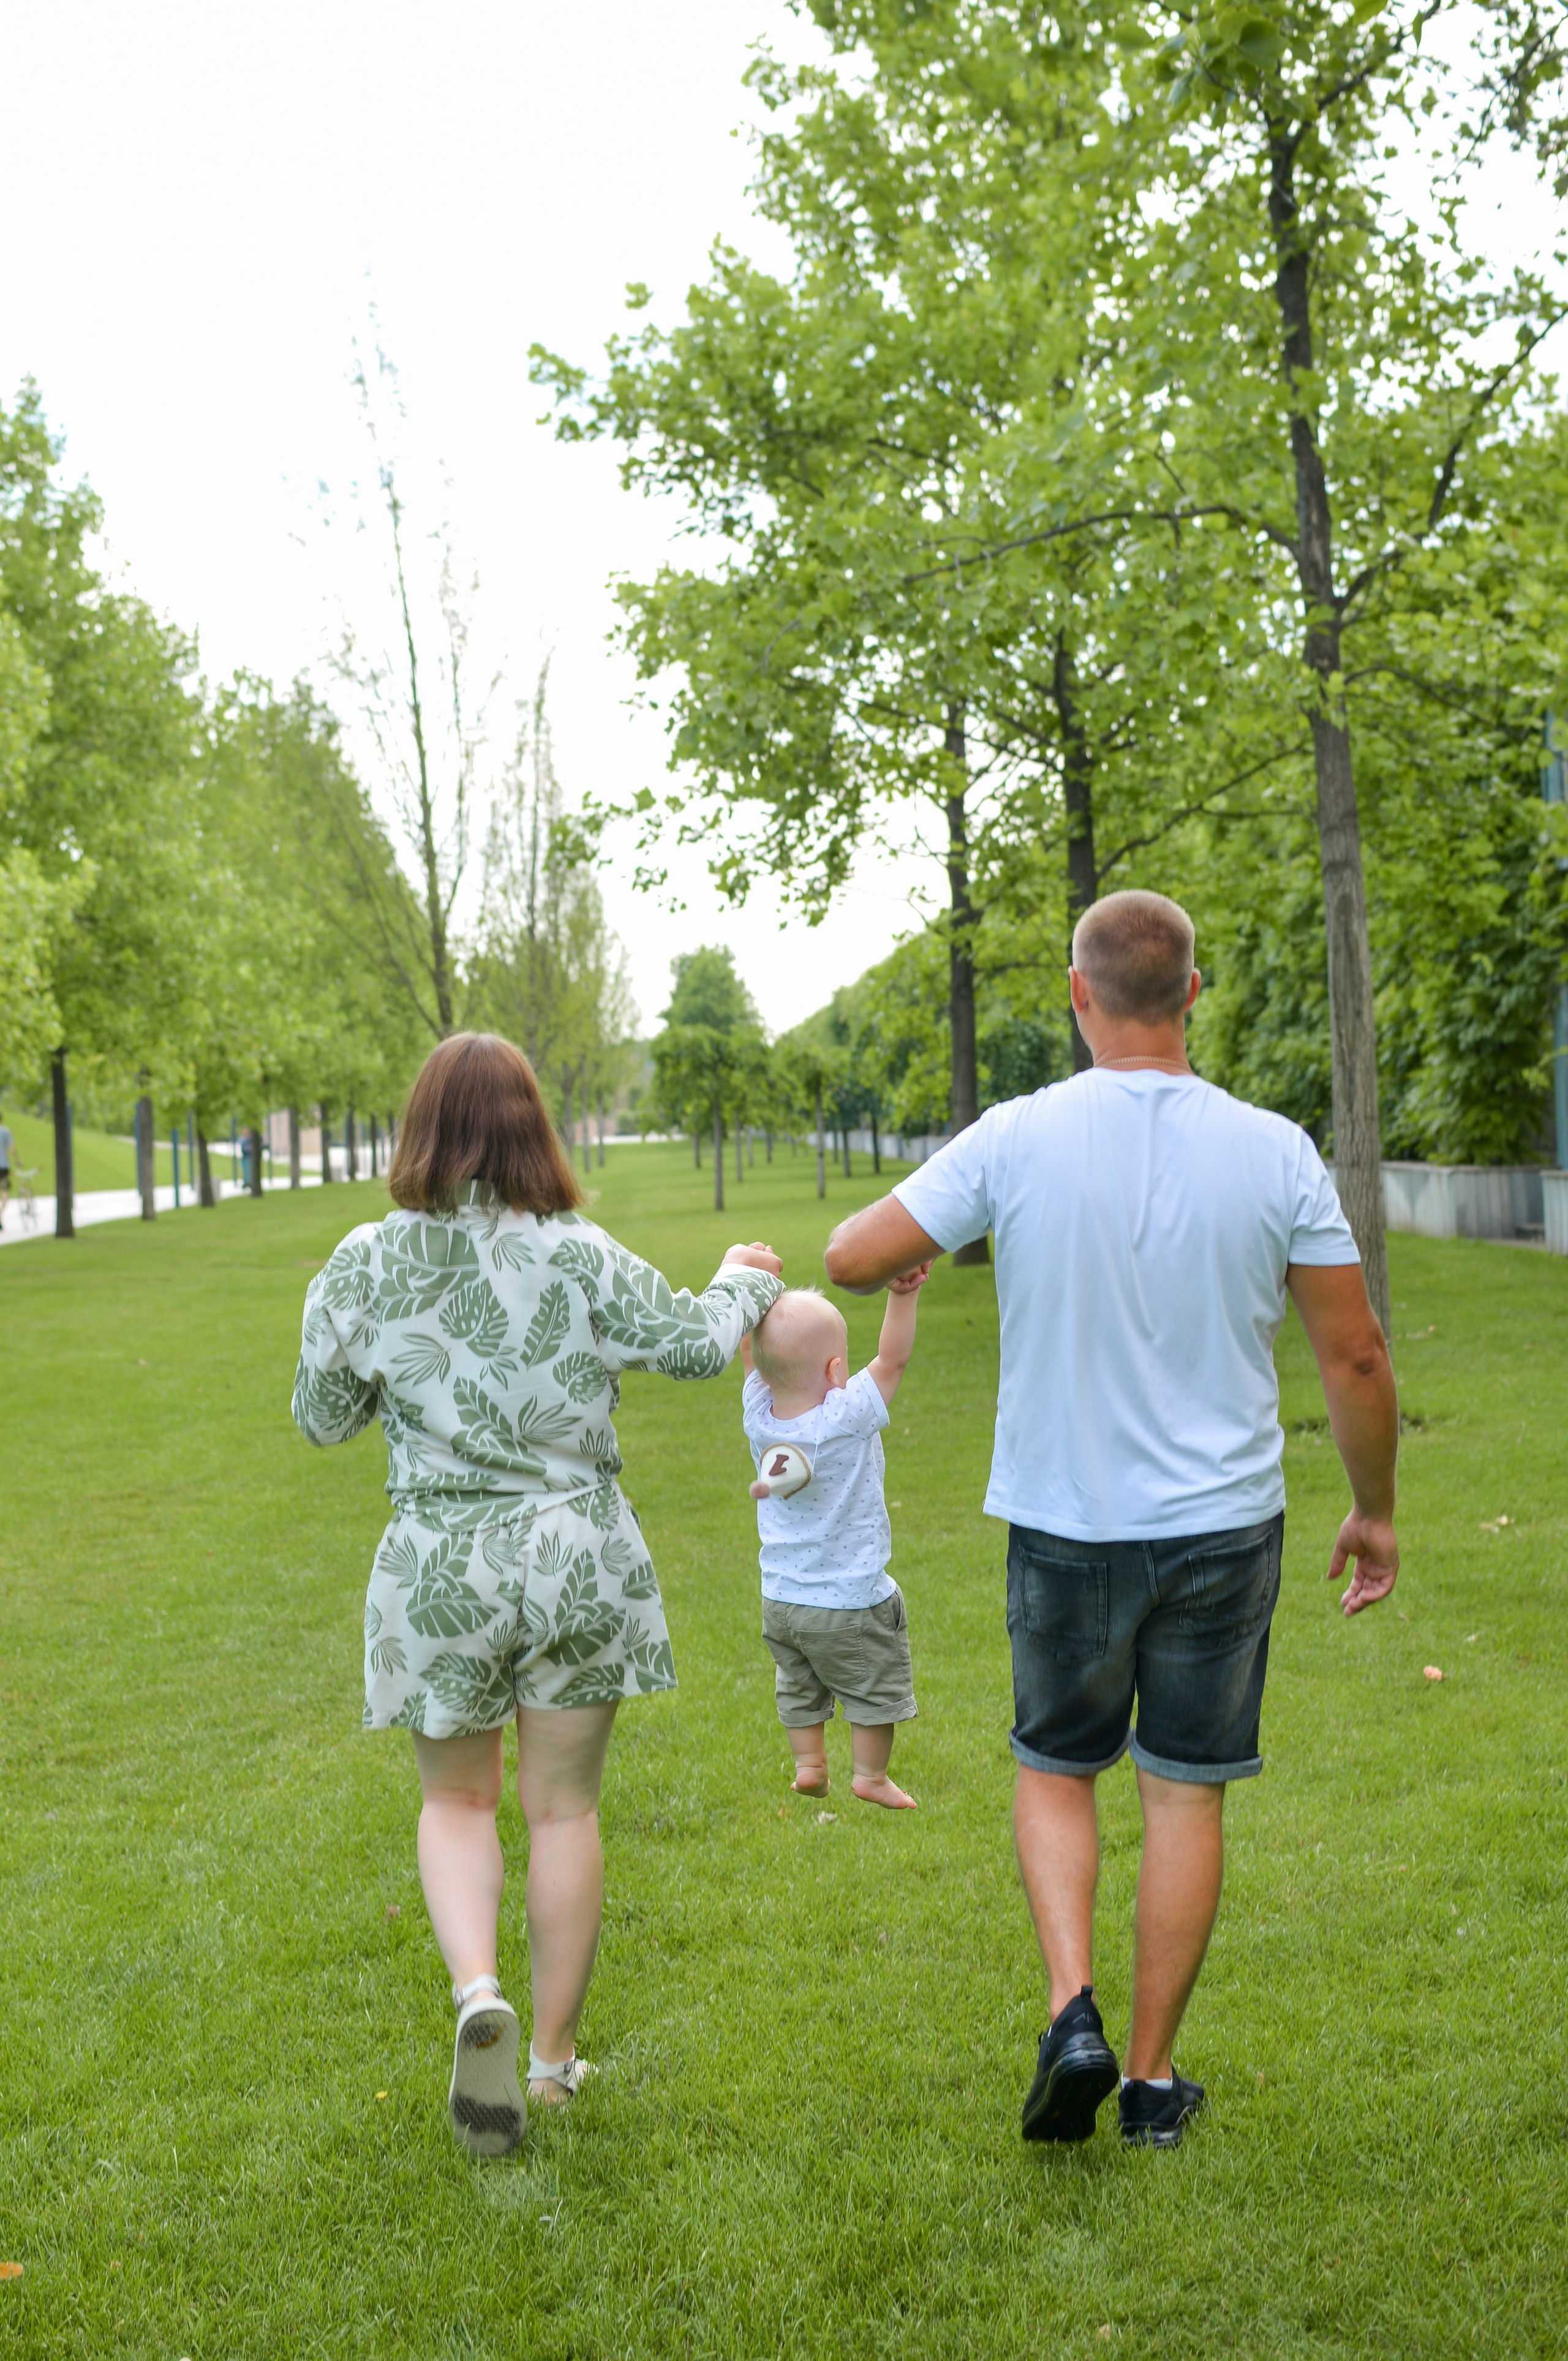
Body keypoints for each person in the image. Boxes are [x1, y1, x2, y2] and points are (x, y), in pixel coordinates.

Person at [823, 889, 1399, 2150]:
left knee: (1055, 1765)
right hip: (1224, 1525)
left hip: (1067, 1520)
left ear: (1077, 995)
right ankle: (1147, 2083)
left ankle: (1068, 2012)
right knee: (1185, 1795)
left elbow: (850, 1255)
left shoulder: (1017, 1134)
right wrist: (1373, 1509)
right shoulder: (1275, 1151)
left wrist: (921, 1243)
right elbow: (1354, 1356)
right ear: (1190, 993)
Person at [292, 1033, 782, 2158]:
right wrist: (745, 1277)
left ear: (421, 1127)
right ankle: (553, 2065)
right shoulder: (576, 1249)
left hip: (443, 1562)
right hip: (576, 1553)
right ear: (532, 1127)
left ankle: (479, 1992)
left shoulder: (365, 1259)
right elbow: (696, 1346)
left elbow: (322, 1418)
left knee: (458, 1802)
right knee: (563, 1809)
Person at [741, 1274, 929, 1810]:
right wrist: (903, 1293)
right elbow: (892, 1360)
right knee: (872, 1688)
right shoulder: (844, 1417)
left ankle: (809, 1763)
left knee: (797, 1682)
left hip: (781, 1600)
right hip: (849, 1600)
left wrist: (750, 1294)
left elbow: (752, 1359)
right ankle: (870, 1774)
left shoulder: (758, 1416)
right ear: (835, 1369)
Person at [0, 1107, 12, 1226]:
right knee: (5, 1192)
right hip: (3, 1166)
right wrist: (18, 1161)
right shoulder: (5, 1132)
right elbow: (11, 1147)